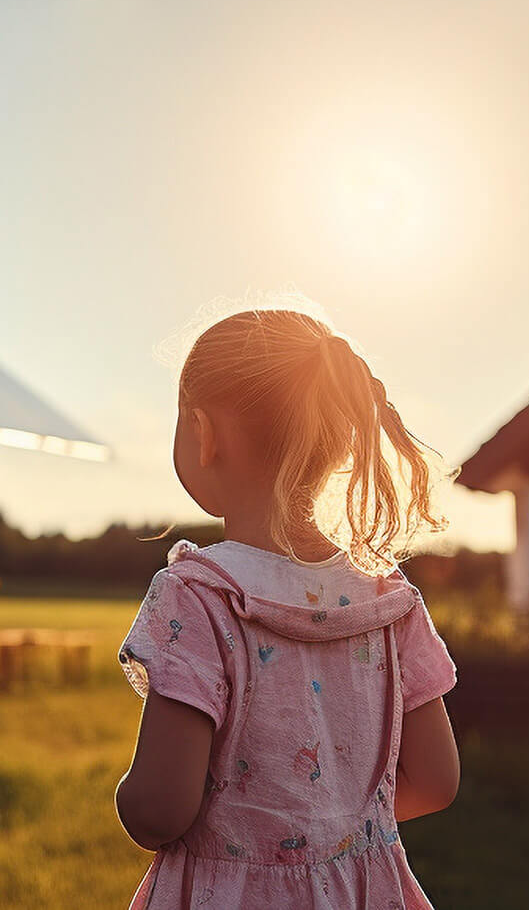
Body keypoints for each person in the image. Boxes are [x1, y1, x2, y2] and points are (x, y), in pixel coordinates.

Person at [114, 303, 461, 908]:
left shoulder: (199, 595)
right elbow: (435, 782)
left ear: (203, 433)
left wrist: (130, 798)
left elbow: (159, 810)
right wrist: (330, 825)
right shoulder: (389, 600)